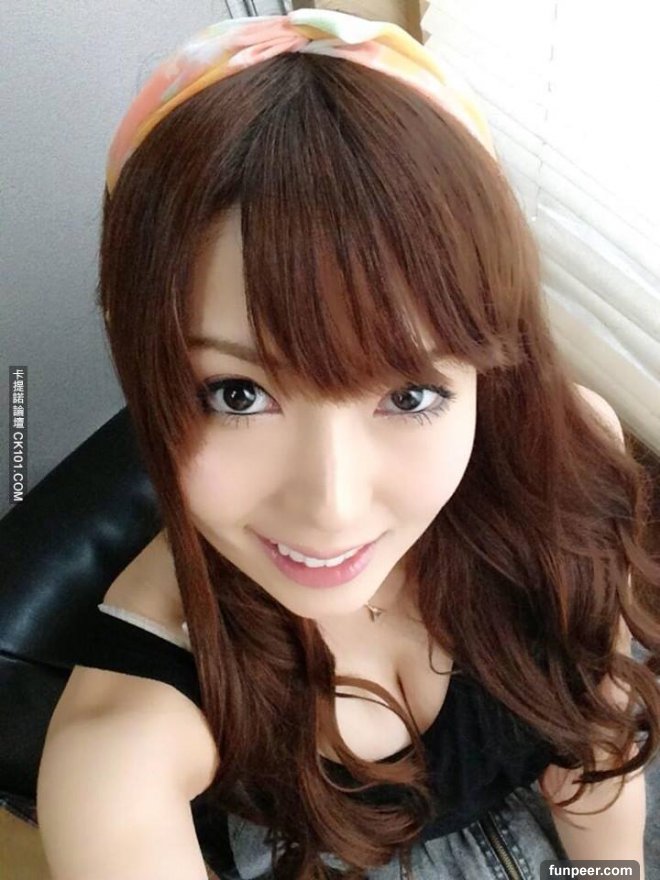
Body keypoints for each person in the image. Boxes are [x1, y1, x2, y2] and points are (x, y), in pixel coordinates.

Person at [35, 8, 660, 880]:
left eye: (408, 394)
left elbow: (592, 755)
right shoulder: (127, 738)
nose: (331, 505)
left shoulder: (567, 466)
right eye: (237, 393)